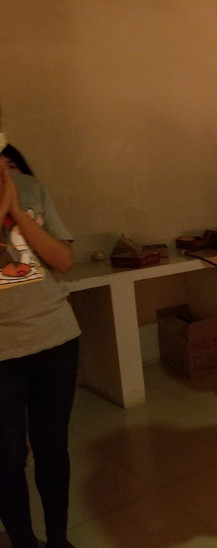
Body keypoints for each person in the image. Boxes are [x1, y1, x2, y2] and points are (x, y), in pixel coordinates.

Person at [1, 132, 81, 547]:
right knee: (7, 457)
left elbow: (63, 260)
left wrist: (18, 210)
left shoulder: (32, 188)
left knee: (53, 447)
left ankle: (58, 539)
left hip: (56, 338)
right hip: (2, 352)